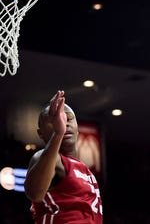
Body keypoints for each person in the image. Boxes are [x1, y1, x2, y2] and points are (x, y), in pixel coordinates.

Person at [24, 90, 103, 224]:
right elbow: (34, 194)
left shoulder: (86, 171)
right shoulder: (46, 158)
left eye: (68, 118)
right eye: (53, 120)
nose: (63, 122)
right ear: (41, 133)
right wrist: (58, 133)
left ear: (77, 127)